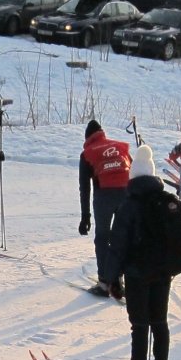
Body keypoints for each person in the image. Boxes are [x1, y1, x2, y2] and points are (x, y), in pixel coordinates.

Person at [108, 145, 181, 360]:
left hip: (137, 272)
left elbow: (117, 245)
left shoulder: (129, 205)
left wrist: (112, 278)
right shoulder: (167, 201)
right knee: (159, 321)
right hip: (164, 271)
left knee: (139, 324)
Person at [77, 119, 132, 298]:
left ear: (87, 138)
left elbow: (84, 187)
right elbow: (134, 170)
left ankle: (103, 283)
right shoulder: (121, 146)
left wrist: (85, 216)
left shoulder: (87, 153)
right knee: (122, 236)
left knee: (102, 238)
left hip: (104, 195)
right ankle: (119, 281)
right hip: (127, 193)